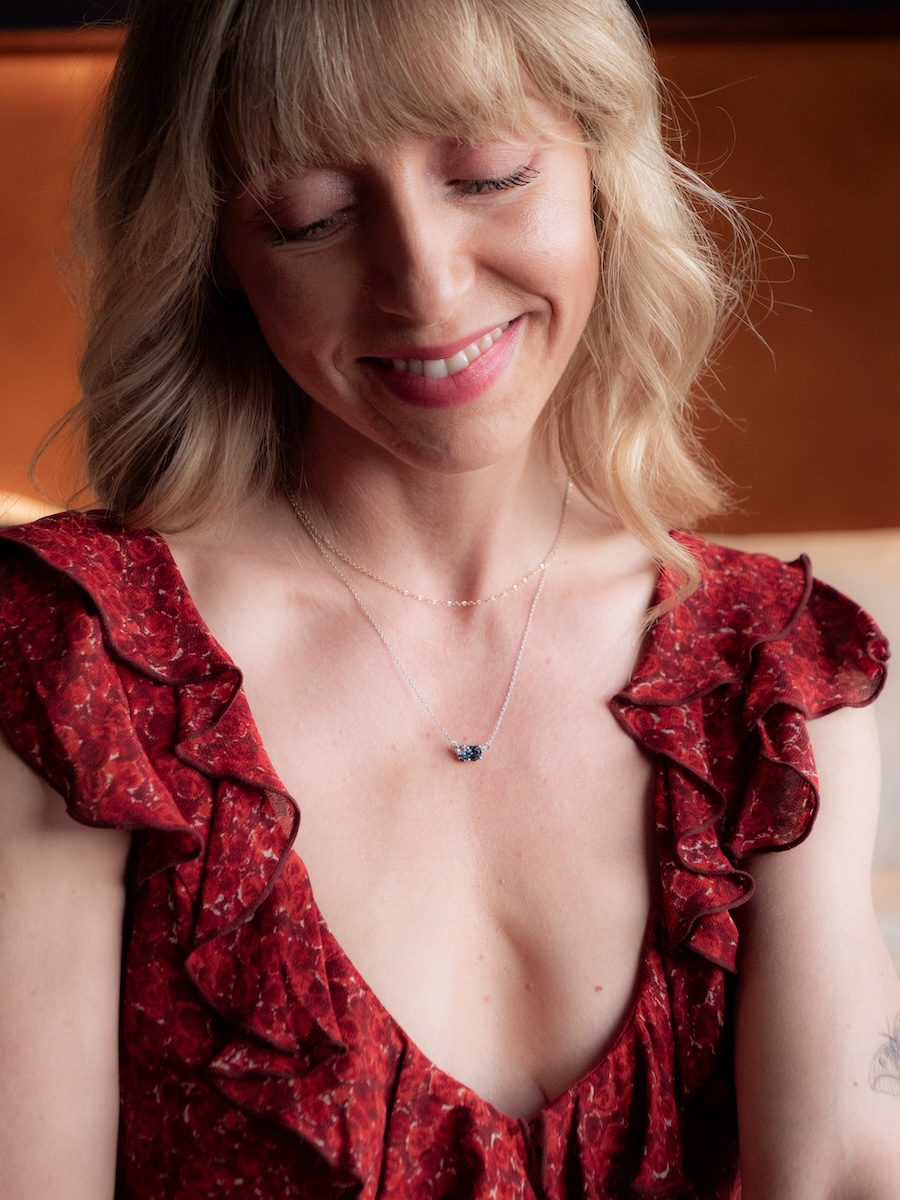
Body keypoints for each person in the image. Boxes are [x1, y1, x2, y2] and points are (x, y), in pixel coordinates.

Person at [0, 0, 898, 1195]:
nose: (423, 285)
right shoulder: (80, 659)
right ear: (217, 252)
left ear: (601, 171)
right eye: (311, 215)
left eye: (486, 175)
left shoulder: (774, 672)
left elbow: (841, 1169)